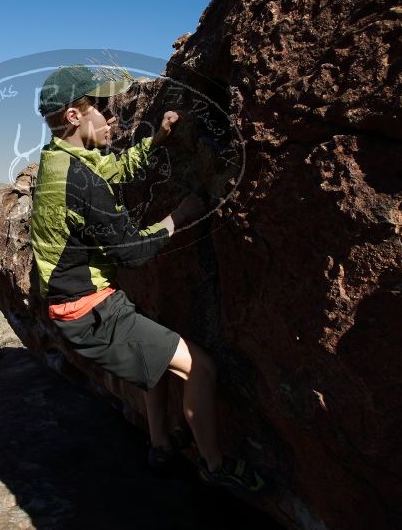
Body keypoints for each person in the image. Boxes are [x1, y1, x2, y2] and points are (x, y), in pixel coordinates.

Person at [30, 65, 264, 492]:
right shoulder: (78, 181)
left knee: (157, 365)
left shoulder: (58, 160)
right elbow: (133, 252)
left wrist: (156, 140)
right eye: (102, 106)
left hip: (81, 303)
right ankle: (216, 466)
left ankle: (159, 444)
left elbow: (112, 170)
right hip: (89, 312)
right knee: (201, 369)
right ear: (73, 117)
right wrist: (180, 215)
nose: (112, 116)